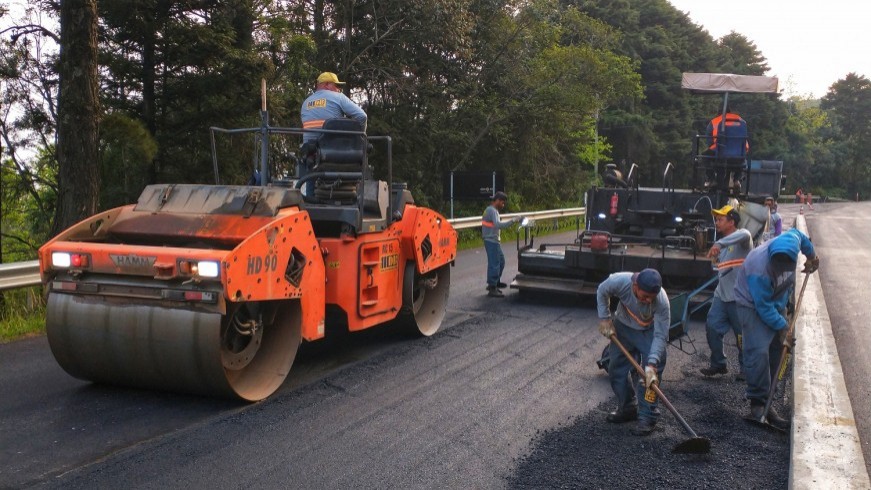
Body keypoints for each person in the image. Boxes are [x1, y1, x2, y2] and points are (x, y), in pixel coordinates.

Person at [733, 228, 820, 429]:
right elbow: (763, 307)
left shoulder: (792, 239)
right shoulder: (759, 268)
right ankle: (757, 403)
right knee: (758, 352)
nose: (781, 271)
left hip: (777, 302)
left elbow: (803, 239)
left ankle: (768, 402)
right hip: (752, 305)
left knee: (776, 350)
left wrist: (812, 257)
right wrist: (784, 327)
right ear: (772, 260)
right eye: (778, 268)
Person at [597, 269, 670, 436]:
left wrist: (652, 364)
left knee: (651, 377)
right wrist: (605, 318)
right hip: (623, 328)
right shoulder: (620, 281)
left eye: (651, 298)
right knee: (615, 368)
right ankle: (628, 406)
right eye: (644, 296)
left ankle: (647, 416)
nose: (647, 301)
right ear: (635, 286)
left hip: (649, 333)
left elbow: (660, 336)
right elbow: (602, 290)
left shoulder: (662, 301)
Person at [701, 205, 753, 379]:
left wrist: (718, 243)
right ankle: (718, 364)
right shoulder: (722, 245)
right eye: (716, 219)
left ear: (732, 222)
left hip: (740, 298)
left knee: (742, 336)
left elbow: (745, 234)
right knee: (712, 327)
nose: (717, 222)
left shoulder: (742, 239)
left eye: (720, 219)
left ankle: (746, 368)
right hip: (721, 295)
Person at [300, 72, 368, 143]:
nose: (338, 89)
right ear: (327, 84)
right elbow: (362, 116)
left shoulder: (305, 102)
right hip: (333, 148)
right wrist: (360, 138)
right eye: (336, 85)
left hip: (309, 149)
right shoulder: (338, 97)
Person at [482, 191, 518, 298]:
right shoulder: (492, 211)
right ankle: (492, 287)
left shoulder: (492, 210)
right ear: (497, 200)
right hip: (491, 240)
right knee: (495, 263)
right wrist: (513, 220)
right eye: (502, 202)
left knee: (501, 261)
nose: (503, 205)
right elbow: (498, 225)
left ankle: (495, 282)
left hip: (493, 240)